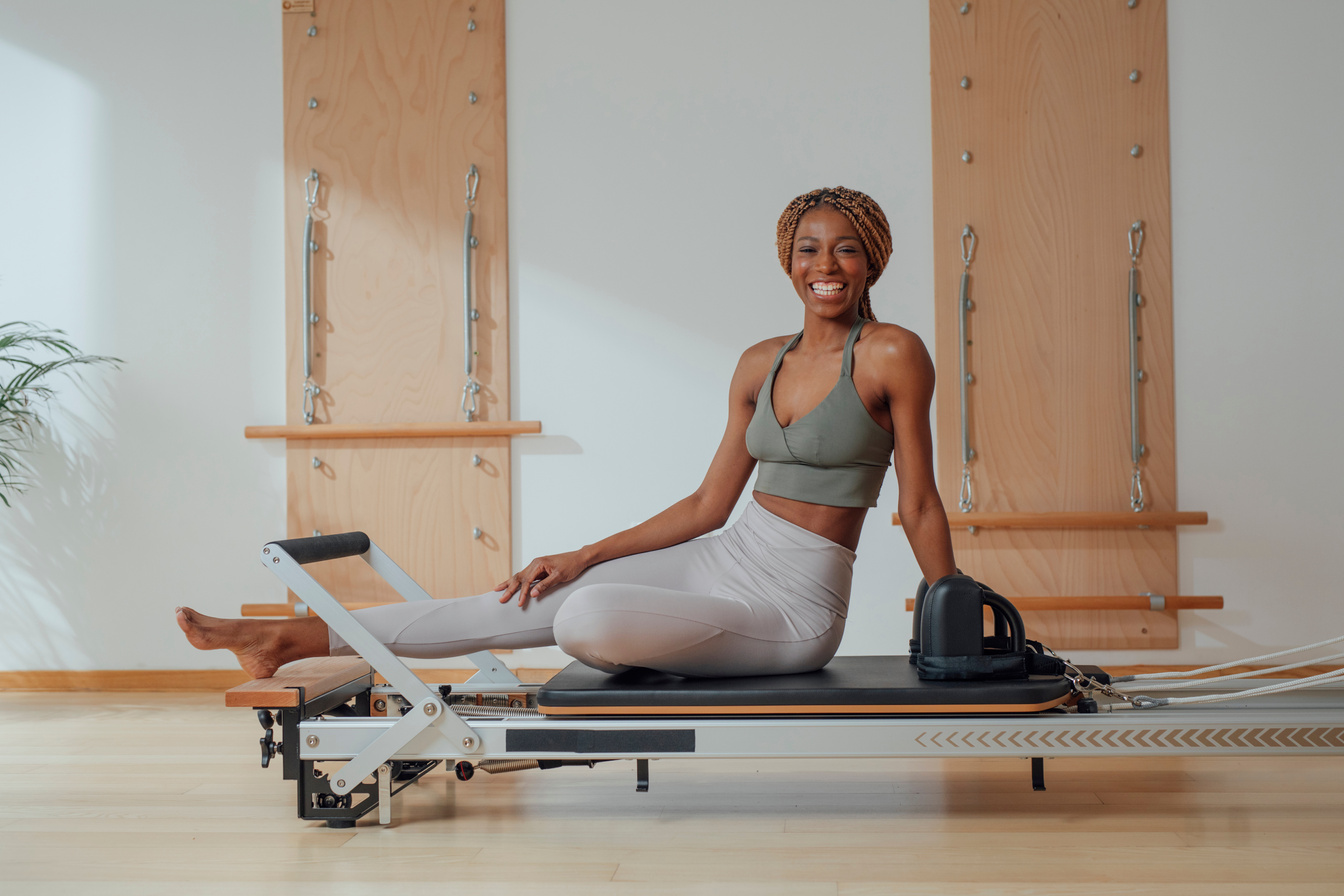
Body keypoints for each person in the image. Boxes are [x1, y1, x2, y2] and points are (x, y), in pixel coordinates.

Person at [178, 186, 957, 680]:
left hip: (797, 604)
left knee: (586, 618)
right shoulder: (761, 362)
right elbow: (706, 506)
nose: (826, 264)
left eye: (845, 248)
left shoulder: (891, 354)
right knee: (536, 596)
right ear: (788, 262)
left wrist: (952, 606)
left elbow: (917, 502)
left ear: (871, 262)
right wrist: (580, 554)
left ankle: (638, 626)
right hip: (726, 554)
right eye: (808, 249)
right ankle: (289, 641)